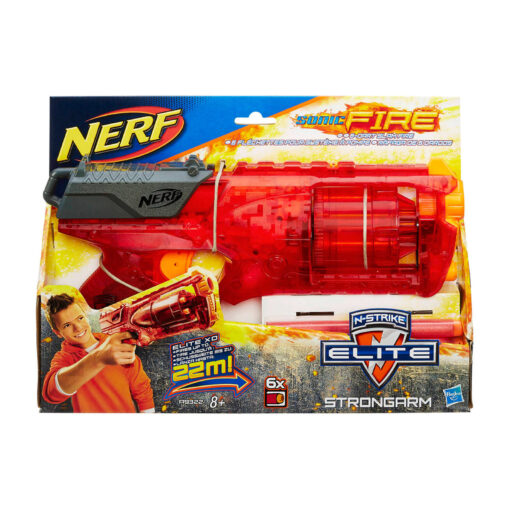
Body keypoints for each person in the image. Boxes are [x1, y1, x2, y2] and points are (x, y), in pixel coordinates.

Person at [42, 293, 154, 413]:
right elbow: (52, 393)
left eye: (80, 318)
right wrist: (99, 358)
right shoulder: (64, 358)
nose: (78, 327)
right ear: (57, 332)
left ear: (86, 316)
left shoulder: (114, 343)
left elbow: (142, 388)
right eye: (67, 325)